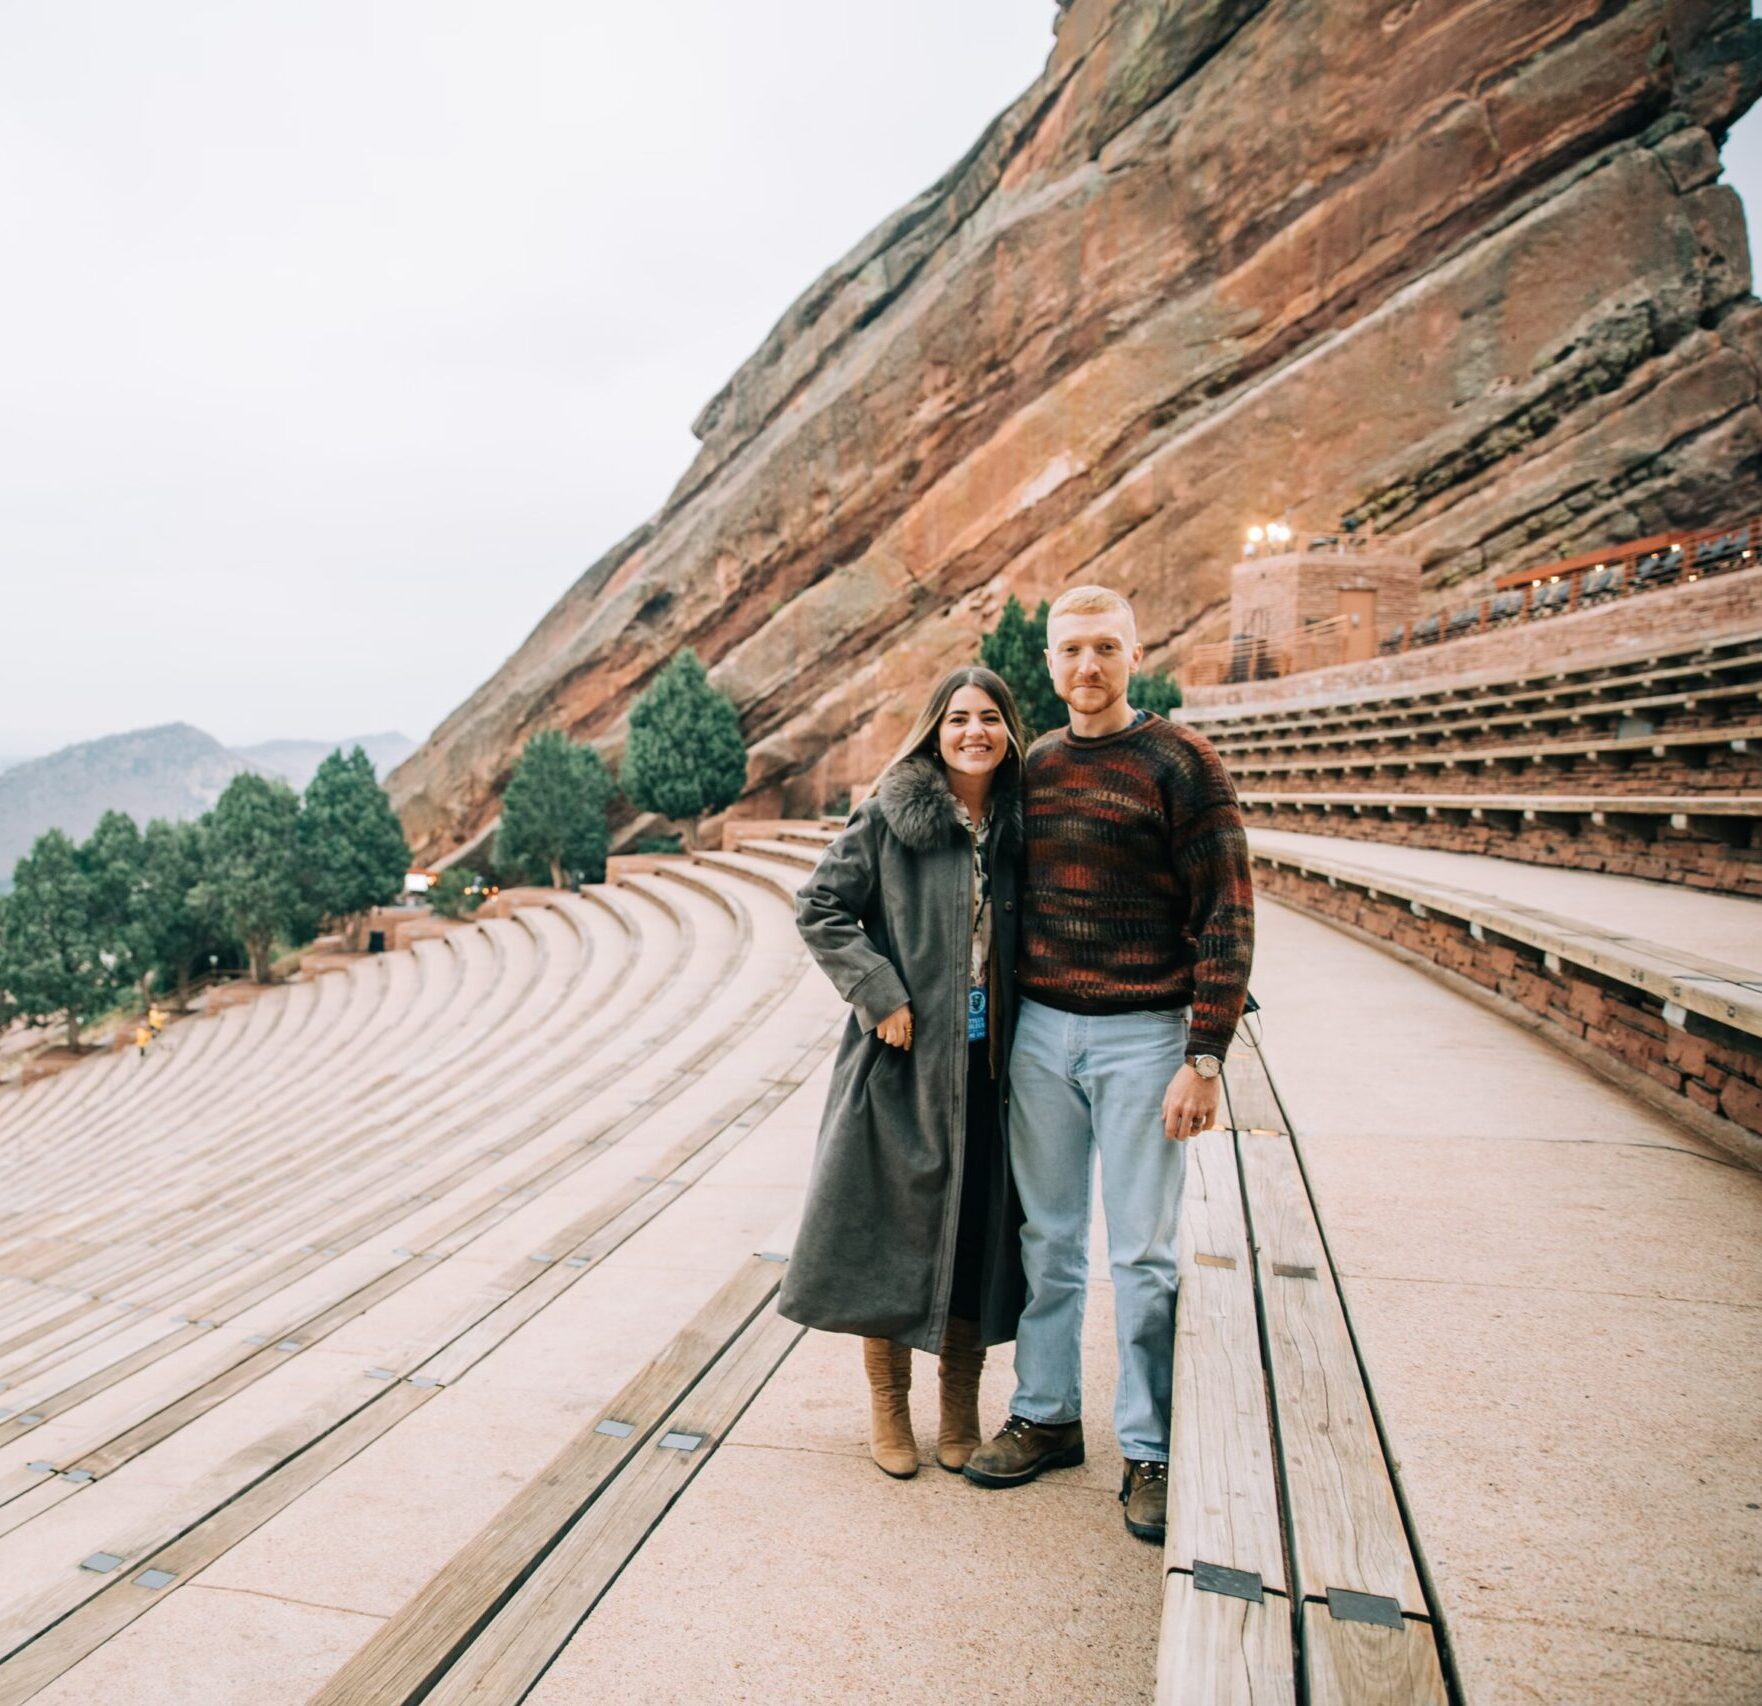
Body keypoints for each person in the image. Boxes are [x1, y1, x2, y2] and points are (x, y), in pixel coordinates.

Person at [962, 586, 1255, 1545]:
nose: (1087, 668)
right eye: (1070, 651)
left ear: (1135, 653)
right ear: (1048, 663)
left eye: (1105, 649)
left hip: (1144, 1037)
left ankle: (1151, 1449)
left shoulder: (1181, 762)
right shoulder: (1037, 763)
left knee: (1144, 1256)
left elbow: (1227, 913)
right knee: (1048, 1241)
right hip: (1044, 1036)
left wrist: (1204, 1054)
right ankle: (1046, 1415)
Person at [780, 665, 1030, 1478]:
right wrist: (879, 991)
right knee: (886, 1236)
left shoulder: (1027, 820)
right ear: (936, 728)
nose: (973, 732)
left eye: (989, 718)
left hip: (992, 1069)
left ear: (1009, 730)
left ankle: (960, 1407)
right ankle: (890, 1410)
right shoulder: (894, 813)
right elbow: (819, 904)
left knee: (977, 1238)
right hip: (899, 1060)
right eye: (958, 718)